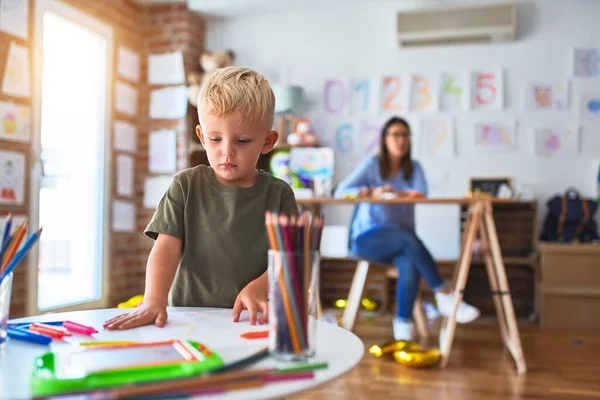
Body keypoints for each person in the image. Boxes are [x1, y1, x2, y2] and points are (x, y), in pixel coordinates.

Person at [104, 67, 298, 330]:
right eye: (215, 139)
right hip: (187, 318)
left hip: (253, 320)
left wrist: (261, 287)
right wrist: (153, 300)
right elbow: (165, 248)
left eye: (242, 141)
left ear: (267, 141)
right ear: (201, 136)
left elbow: (291, 257)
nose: (226, 151)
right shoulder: (185, 186)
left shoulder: (279, 194)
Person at [334, 116, 480, 341]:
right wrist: (370, 193)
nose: (400, 140)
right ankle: (443, 293)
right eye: (395, 135)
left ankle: (402, 326)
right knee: (407, 239)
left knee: (409, 263)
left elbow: (421, 194)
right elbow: (341, 191)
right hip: (367, 239)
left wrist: (399, 193)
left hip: (401, 242)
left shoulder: (414, 168)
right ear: (384, 139)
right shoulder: (372, 165)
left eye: (405, 135)